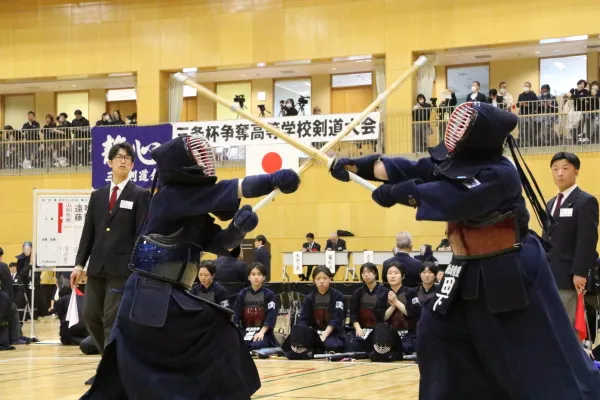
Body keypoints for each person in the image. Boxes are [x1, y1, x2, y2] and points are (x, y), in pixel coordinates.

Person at [330, 102, 600, 399]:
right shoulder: (455, 163)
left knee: (523, 351)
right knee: (435, 331)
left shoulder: (501, 174)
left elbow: (455, 197)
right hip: (466, 266)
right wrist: (358, 167)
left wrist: (403, 194)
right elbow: (415, 168)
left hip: (508, 268)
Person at [81, 134, 300, 399]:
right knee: (154, 368)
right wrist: (272, 180)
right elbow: (231, 189)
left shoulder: (192, 209)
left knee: (217, 334)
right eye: (199, 158)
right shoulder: (170, 197)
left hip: (172, 295)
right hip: (150, 296)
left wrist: (238, 229)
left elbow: (220, 243)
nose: (206, 164)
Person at [71, 142, 150, 385]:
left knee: (110, 318)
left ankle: (109, 372)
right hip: (96, 267)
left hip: (123, 269)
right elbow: (88, 233)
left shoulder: (140, 195)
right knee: (90, 315)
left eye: (127, 158)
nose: (123, 160)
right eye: (118, 157)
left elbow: (141, 234)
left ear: (132, 164)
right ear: (110, 162)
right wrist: (79, 265)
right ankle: (110, 364)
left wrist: (137, 266)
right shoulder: (97, 196)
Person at [543, 152, 599, 325]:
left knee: (568, 324)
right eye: (555, 169)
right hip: (549, 275)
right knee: (552, 324)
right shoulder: (550, 203)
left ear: (576, 171)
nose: (560, 173)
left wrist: (580, 272)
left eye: (565, 168)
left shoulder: (585, 201)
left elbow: (587, 240)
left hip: (569, 277)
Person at [283, 266, 346, 359]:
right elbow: (303, 320)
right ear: (314, 281)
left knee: (331, 345)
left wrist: (324, 335)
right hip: (315, 332)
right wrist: (302, 336)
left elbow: (336, 319)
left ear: (330, 279)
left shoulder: (338, 296)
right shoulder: (309, 298)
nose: (321, 281)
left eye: (325, 278)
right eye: (318, 278)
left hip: (333, 333)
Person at [232, 262, 278, 350]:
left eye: (259, 274)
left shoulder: (269, 295)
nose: (256, 277)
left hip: (262, 331)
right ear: (249, 277)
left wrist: (262, 332)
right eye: (253, 274)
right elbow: (236, 315)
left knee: (256, 345)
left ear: (264, 277)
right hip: (245, 330)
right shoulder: (242, 294)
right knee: (236, 344)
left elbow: (271, 315)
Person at [347, 262, 389, 352]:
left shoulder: (385, 292)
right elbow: (353, 314)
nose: (366, 275)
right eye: (363, 273)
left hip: (378, 329)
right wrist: (358, 328)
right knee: (354, 347)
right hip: (361, 328)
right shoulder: (358, 292)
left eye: (369, 272)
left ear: (375, 273)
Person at [384, 261, 421, 355]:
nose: (392, 276)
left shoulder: (411, 292)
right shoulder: (382, 293)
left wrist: (396, 301)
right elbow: (382, 317)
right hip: (389, 333)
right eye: (389, 273)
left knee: (405, 347)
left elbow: (414, 313)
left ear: (403, 276)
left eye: (396, 273)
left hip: (408, 333)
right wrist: (393, 306)